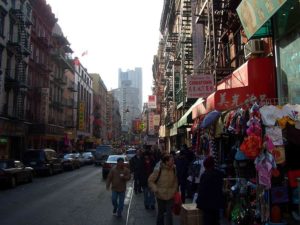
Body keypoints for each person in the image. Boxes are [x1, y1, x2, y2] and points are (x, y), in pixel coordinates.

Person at [148, 154, 178, 225]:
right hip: (160, 195)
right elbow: (150, 180)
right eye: (172, 160)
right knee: (161, 213)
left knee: (169, 213)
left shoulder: (174, 169)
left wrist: (174, 190)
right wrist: (155, 189)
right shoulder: (158, 169)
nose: (173, 161)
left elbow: (175, 181)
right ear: (166, 162)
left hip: (170, 195)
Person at [196, 156, 225, 225]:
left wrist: (198, 202)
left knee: (208, 221)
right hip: (216, 203)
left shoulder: (205, 175)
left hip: (207, 205)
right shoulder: (219, 174)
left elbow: (202, 191)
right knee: (216, 220)